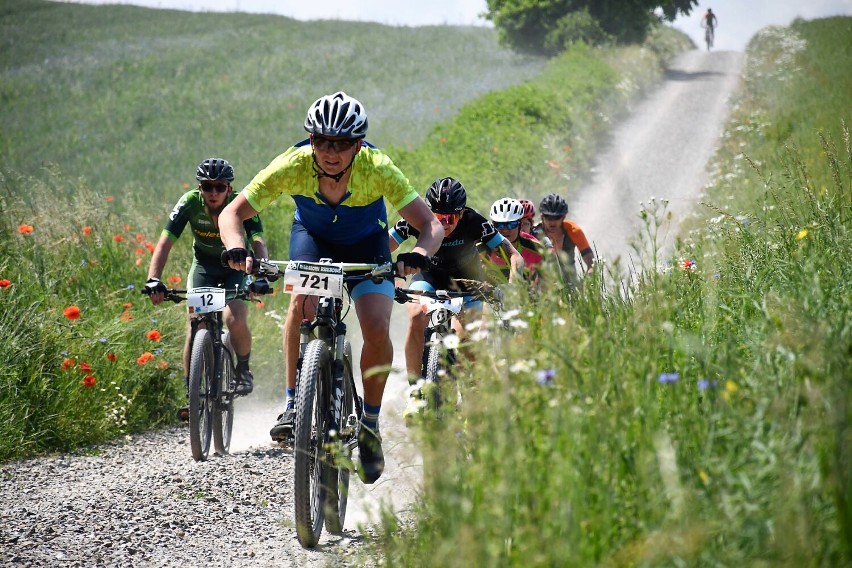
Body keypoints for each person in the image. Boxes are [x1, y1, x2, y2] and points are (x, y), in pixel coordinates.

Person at [218, 92, 443, 484]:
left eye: (340, 144)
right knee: (301, 306)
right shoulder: (294, 164)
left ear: (358, 145)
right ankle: (292, 405)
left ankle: (369, 425)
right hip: (312, 239)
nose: (329, 152)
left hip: (366, 244)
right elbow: (232, 213)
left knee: (375, 324)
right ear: (310, 140)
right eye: (320, 141)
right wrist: (236, 247)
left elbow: (431, 224)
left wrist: (419, 253)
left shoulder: (378, 167)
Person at [144, 158, 268, 421]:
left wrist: (261, 274)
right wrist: (153, 279)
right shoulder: (189, 202)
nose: (213, 193)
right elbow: (165, 242)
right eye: (207, 187)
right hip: (204, 267)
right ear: (199, 188)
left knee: (234, 317)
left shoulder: (240, 203)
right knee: (196, 325)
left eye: (219, 187)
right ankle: (192, 394)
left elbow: (259, 242)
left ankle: (243, 369)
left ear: (229, 188)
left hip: (235, 267)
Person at [389, 177, 523, 417]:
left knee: (465, 338)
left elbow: (514, 256)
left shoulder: (474, 222)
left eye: (451, 218)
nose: (445, 223)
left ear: (462, 213)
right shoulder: (418, 218)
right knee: (416, 317)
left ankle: (472, 395)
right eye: (439, 218)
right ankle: (415, 394)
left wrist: (512, 285)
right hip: (429, 277)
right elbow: (383, 244)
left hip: (466, 284)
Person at [532, 193, 594, 290]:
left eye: (557, 218)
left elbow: (592, 263)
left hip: (571, 288)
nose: (552, 222)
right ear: (542, 217)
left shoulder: (574, 231)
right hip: (543, 289)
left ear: (564, 217)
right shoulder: (534, 234)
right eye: (548, 217)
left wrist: (587, 282)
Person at [488, 197, 546, 290]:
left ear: (520, 224)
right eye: (500, 224)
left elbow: (552, 283)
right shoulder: (482, 247)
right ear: (492, 225)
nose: (505, 230)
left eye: (511, 224)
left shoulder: (535, 248)